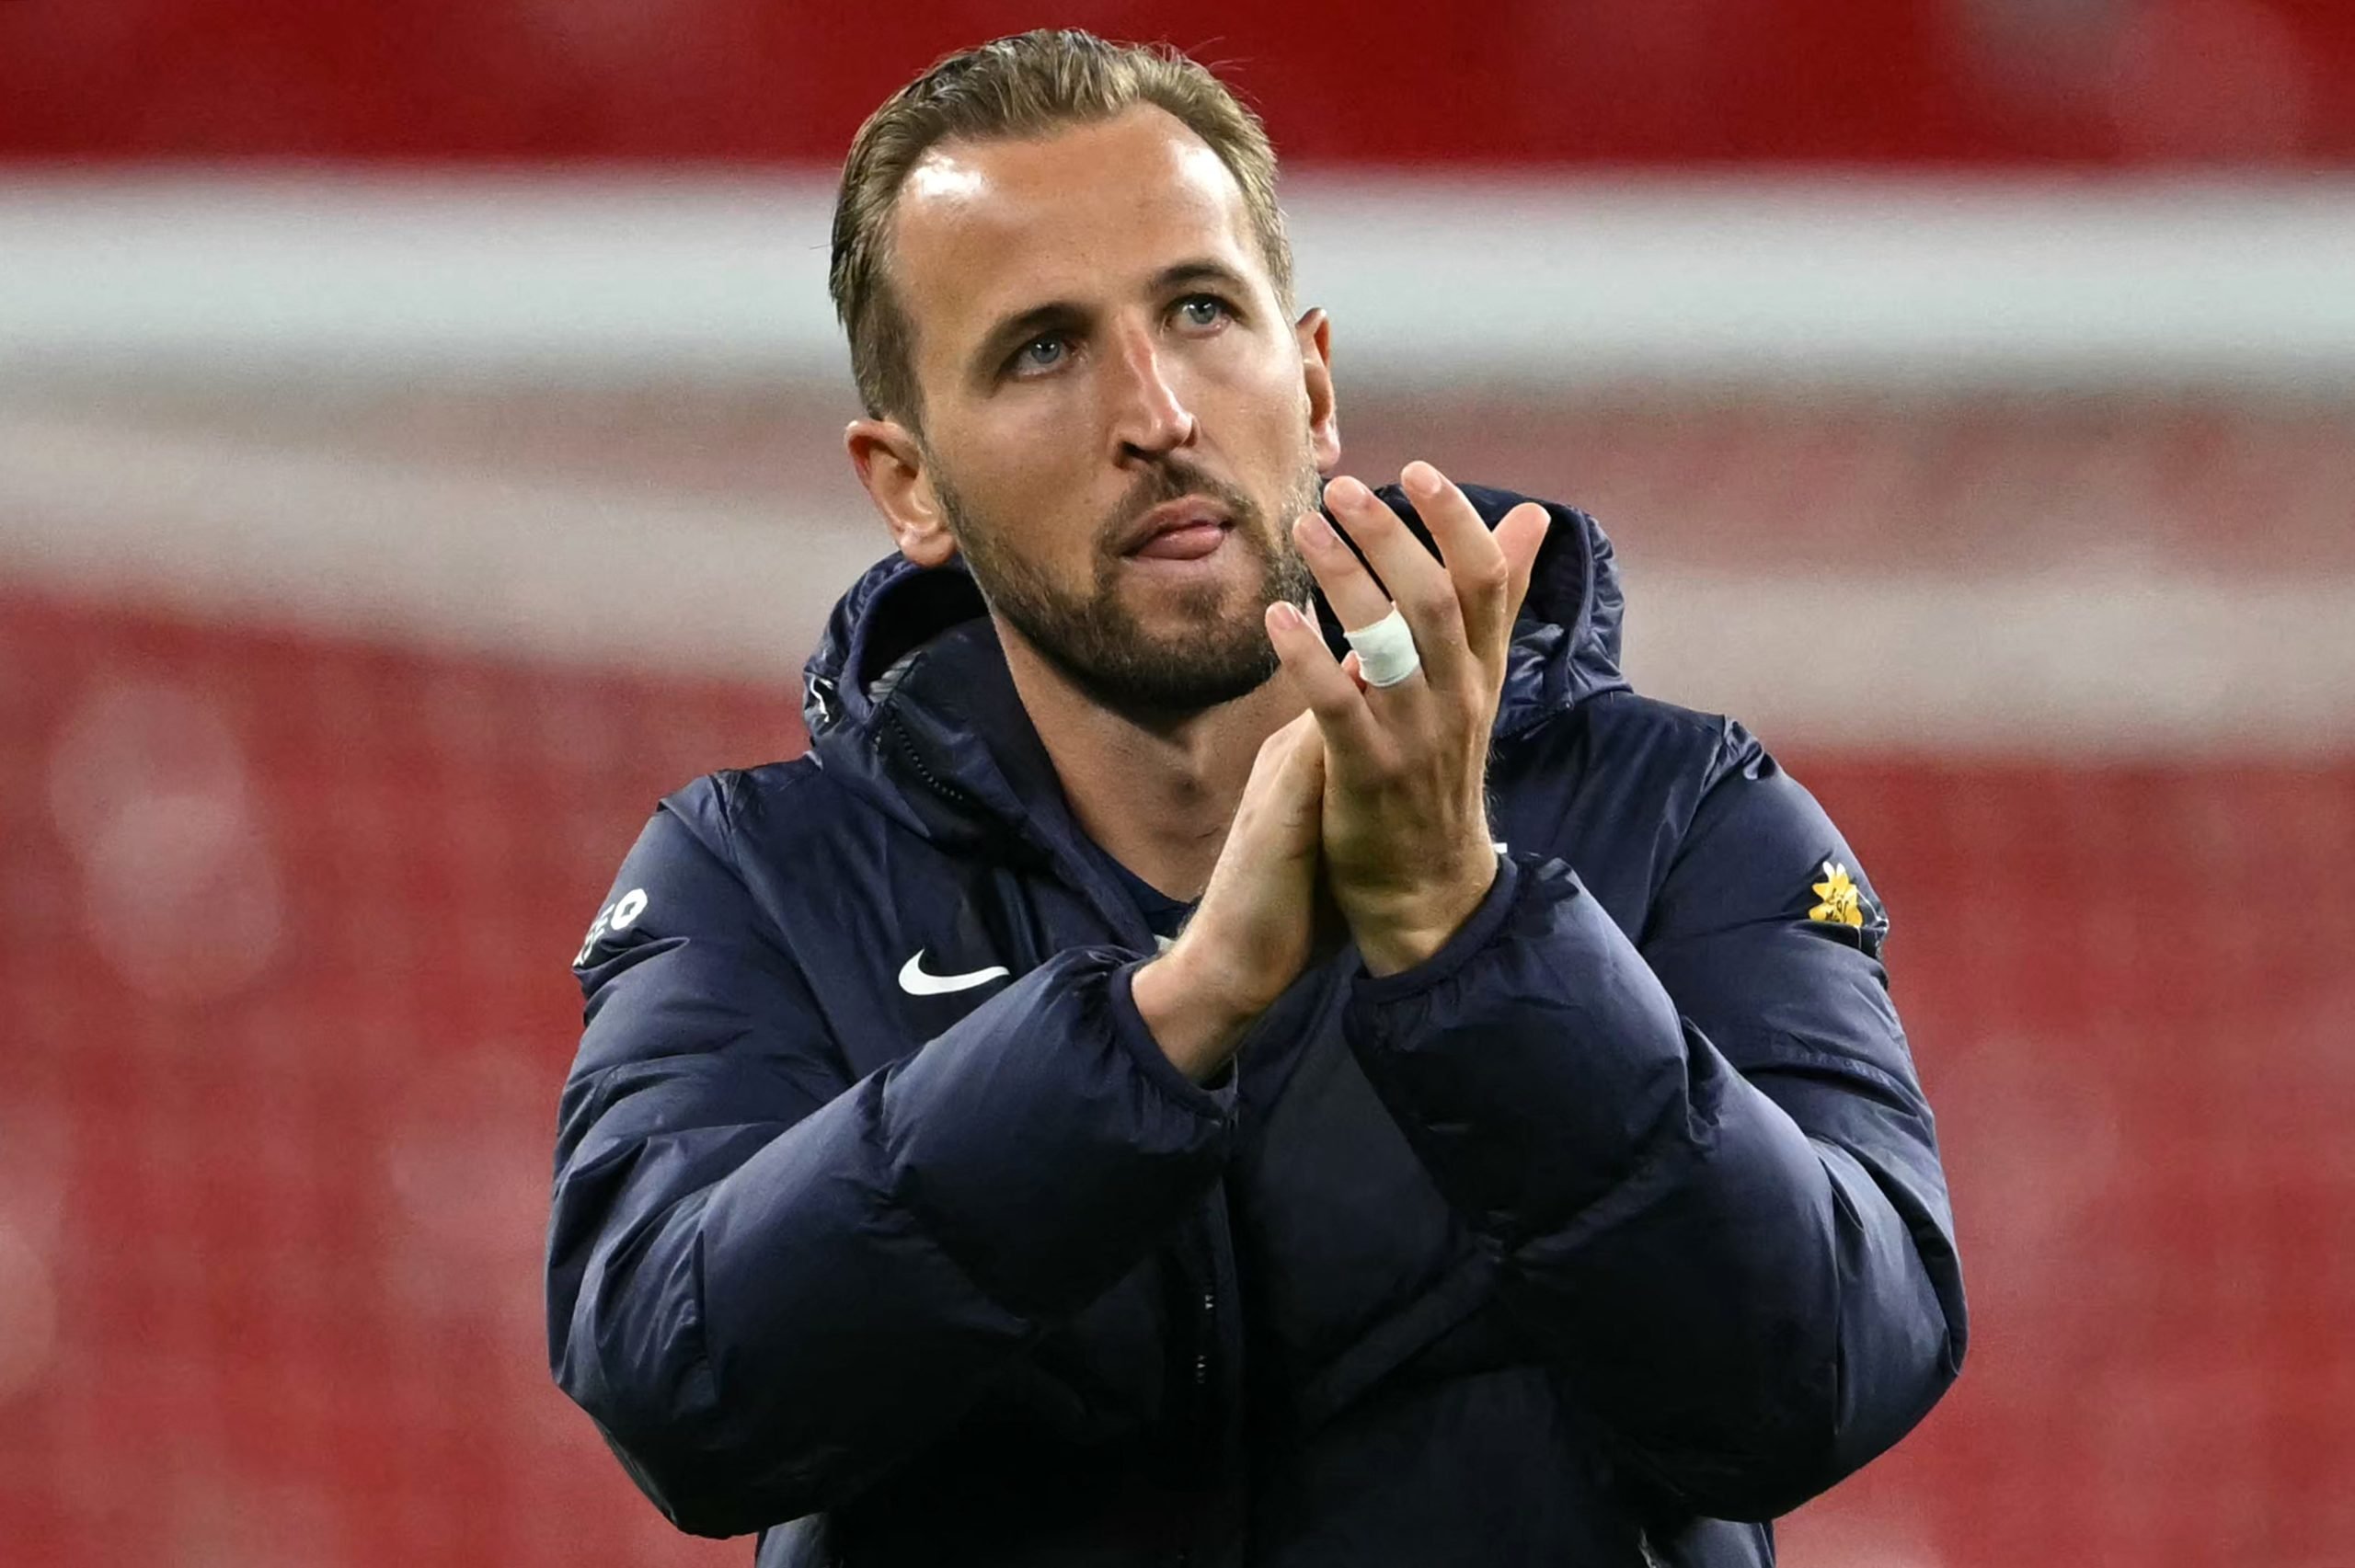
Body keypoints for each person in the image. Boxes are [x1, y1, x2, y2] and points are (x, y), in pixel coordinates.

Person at [546, 29, 1965, 1568]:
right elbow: (683, 1391)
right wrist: (1171, 1014)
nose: (1155, 412)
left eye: (1200, 311)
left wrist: (1471, 934)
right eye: (1043, 350)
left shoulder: (1678, 815)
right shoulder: (758, 879)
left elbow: (1824, 1378)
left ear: (1315, 380)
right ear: (910, 485)